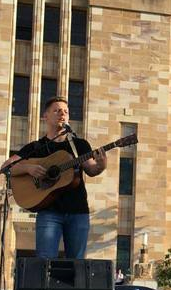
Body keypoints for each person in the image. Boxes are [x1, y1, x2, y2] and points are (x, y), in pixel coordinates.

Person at [6, 97, 107, 259]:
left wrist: (101, 164)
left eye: (66, 112)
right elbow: (6, 167)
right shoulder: (36, 147)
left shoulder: (79, 145)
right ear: (45, 116)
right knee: (45, 262)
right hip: (48, 212)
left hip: (78, 211)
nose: (62, 114)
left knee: (77, 263)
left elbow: (92, 169)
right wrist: (28, 167)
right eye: (57, 110)